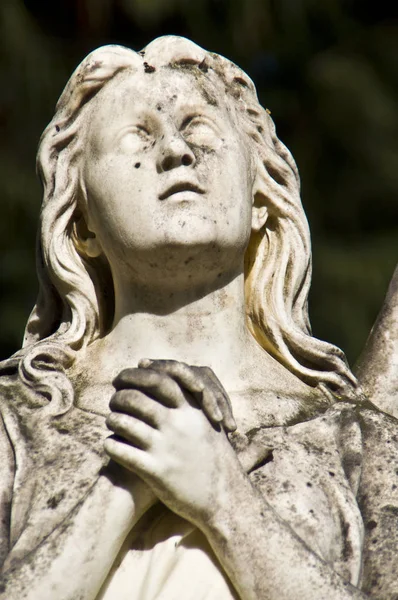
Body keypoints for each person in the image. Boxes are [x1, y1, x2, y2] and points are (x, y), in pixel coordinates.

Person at [0, 36, 397, 600]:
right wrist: (126, 483)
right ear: (81, 223)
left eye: (201, 130)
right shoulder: (18, 424)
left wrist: (223, 498)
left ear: (262, 195)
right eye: (137, 136)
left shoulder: (352, 439)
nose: (177, 152)